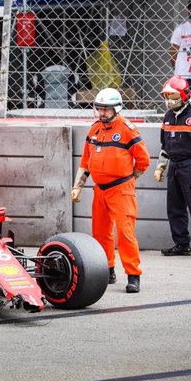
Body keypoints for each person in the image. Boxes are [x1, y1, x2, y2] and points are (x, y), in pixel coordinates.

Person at [71, 88, 150, 293]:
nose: (102, 113)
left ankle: (133, 275)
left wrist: (130, 178)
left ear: (116, 109)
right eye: (99, 109)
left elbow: (143, 160)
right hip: (100, 190)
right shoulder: (95, 129)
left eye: (106, 110)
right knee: (101, 232)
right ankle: (108, 270)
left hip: (121, 189)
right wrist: (77, 185)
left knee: (125, 233)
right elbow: (86, 160)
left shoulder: (127, 129)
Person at [154, 76, 191, 260]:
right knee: (174, 207)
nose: (170, 101)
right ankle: (181, 243)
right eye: (167, 97)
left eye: (174, 97)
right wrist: (160, 167)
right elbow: (165, 147)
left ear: (184, 96)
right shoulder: (167, 117)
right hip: (174, 166)